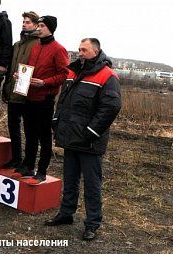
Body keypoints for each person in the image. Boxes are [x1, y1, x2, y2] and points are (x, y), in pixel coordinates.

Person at [45, 38, 121, 242]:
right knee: (70, 180)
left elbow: (111, 107)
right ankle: (66, 214)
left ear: (95, 51)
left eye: (84, 50)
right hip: (71, 137)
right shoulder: (73, 72)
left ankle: (92, 223)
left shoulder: (107, 75)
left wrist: (91, 132)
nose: (80, 53)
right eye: (79, 49)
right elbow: (64, 99)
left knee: (92, 185)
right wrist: (56, 119)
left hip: (89, 142)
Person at [14, 16, 69, 183]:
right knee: (29, 133)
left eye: (42, 25)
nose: (39, 28)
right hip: (29, 96)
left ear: (50, 28)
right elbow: (30, 69)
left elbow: (64, 74)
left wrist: (45, 83)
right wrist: (21, 76)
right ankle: (28, 165)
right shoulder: (36, 47)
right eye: (38, 25)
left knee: (44, 136)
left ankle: (42, 171)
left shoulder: (59, 49)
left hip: (45, 98)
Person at [1, 11, 40, 169]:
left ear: (36, 25)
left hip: (29, 94)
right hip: (14, 92)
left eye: (28, 22)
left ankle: (29, 162)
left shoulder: (38, 44)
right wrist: (7, 87)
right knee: (13, 126)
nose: (24, 24)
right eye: (24, 21)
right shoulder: (17, 44)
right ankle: (16, 158)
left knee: (30, 130)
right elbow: (11, 67)